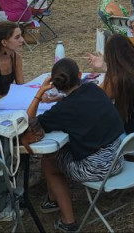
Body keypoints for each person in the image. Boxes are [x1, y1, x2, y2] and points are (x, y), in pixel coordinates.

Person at [27, 59, 124, 233]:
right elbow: (82, 102)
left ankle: (67, 220)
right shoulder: (93, 88)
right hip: (118, 156)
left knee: (48, 161)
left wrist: (39, 94)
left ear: (55, 83)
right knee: (59, 152)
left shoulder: (63, 109)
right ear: (80, 75)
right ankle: (51, 199)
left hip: (97, 168)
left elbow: (31, 123)